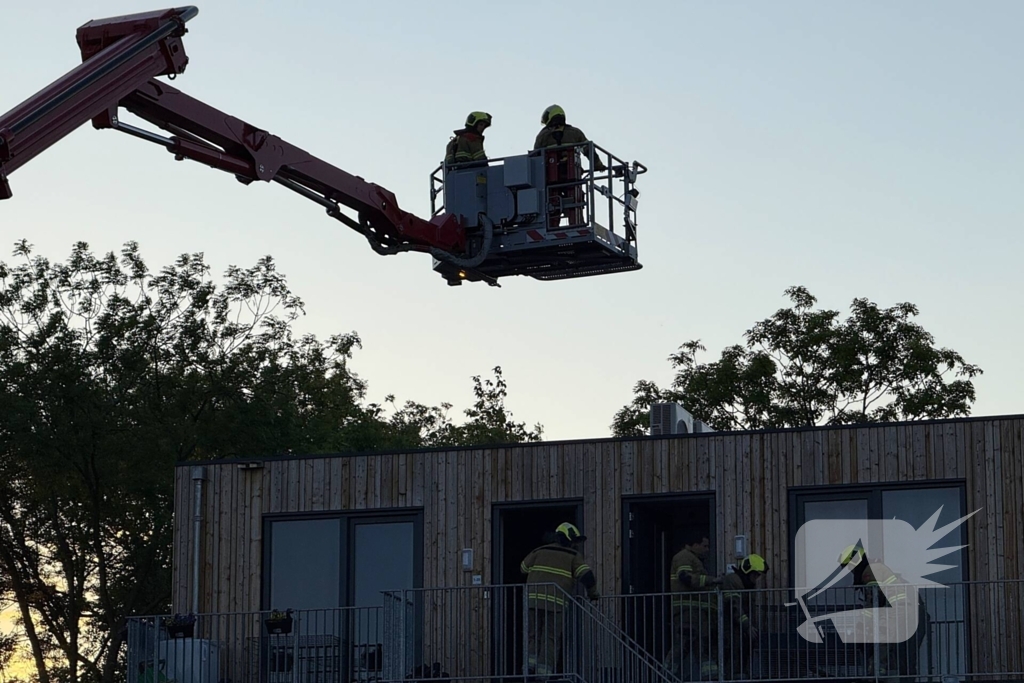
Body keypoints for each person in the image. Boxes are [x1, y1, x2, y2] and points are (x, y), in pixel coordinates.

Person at [838, 545, 930, 683]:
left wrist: (862, 625)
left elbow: (873, 600)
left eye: (849, 566)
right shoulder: (878, 568)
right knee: (905, 655)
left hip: (900, 611)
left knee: (883, 638)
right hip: (913, 613)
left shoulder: (870, 571)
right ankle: (898, 677)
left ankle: (877, 674)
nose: (850, 570)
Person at [520, 522, 600, 677]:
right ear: (569, 539)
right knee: (550, 638)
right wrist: (593, 594)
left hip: (533, 601)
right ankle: (543, 674)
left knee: (533, 635)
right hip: (555, 604)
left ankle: (529, 668)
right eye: (575, 541)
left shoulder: (539, 551)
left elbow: (523, 568)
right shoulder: (572, 556)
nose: (576, 545)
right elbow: (587, 577)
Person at [532, 105, 606, 228]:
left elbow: (535, 157)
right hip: (572, 177)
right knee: (576, 199)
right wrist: (598, 165)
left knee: (552, 201)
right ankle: (577, 224)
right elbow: (589, 151)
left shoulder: (543, 136)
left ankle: (551, 227)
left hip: (550, 179)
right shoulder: (575, 133)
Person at [666, 531, 722, 681]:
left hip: (696, 614)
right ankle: (667, 675)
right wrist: (712, 580)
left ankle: (709, 677)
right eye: (704, 546)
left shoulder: (693, 558)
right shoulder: (684, 557)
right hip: (687, 613)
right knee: (682, 646)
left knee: (701, 647)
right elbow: (685, 578)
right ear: (695, 545)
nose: (707, 549)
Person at [722, 554, 768, 680]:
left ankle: (741, 675)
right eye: (755, 575)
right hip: (729, 627)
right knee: (733, 652)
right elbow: (734, 606)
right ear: (748, 571)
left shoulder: (746, 584)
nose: (757, 578)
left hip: (741, 628)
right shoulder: (732, 580)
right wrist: (747, 625)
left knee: (744, 652)